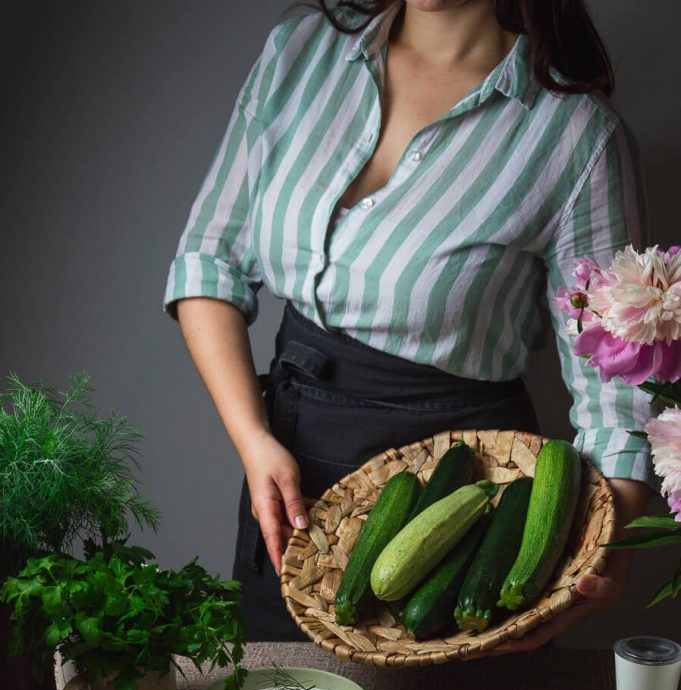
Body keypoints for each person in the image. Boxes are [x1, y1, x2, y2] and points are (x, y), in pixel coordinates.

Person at [164, 0, 653, 644]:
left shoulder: (576, 137)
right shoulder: (300, 52)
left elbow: (616, 389)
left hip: (463, 508)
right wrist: (253, 440)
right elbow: (209, 261)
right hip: (286, 477)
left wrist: (602, 554)